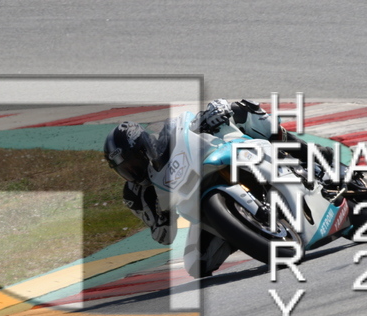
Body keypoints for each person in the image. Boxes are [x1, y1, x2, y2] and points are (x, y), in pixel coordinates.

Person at [103, 99, 332, 277]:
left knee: (243, 110)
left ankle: (310, 155)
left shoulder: (166, 137)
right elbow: (163, 236)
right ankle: (245, 231)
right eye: (125, 170)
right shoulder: (135, 194)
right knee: (197, 265)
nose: (133, 172)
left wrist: (215, 113)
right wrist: (162, 217)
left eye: (134, 163)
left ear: (144, 149)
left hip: (212, 162)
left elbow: (192, 122)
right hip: (200, 208)